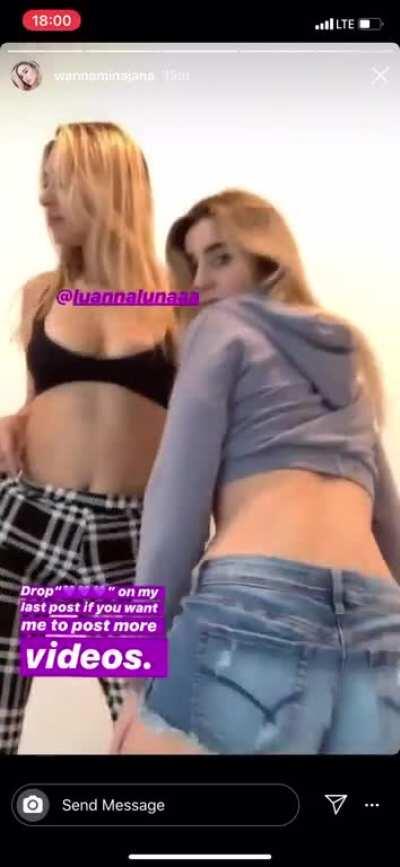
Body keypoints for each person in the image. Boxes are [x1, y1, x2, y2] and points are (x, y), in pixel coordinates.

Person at [112, 188, 400, 755]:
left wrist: (136, 673)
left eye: (221, 258)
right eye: (194, 265)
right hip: (377, 615)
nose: (200, 282)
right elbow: (388, 518)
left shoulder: (220, 328)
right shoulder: (349, 353)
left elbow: (175, 509)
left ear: (268, 260)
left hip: (259, 601)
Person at [0, 122, 177, 754]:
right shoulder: (41, 295)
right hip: (26, 523)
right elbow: (36, 405)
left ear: (108, 185)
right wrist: (12, 423)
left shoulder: (182, 303)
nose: (44, 199)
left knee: (151, 732)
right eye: (42, 184)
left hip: (125, 540)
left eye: (62, 183)